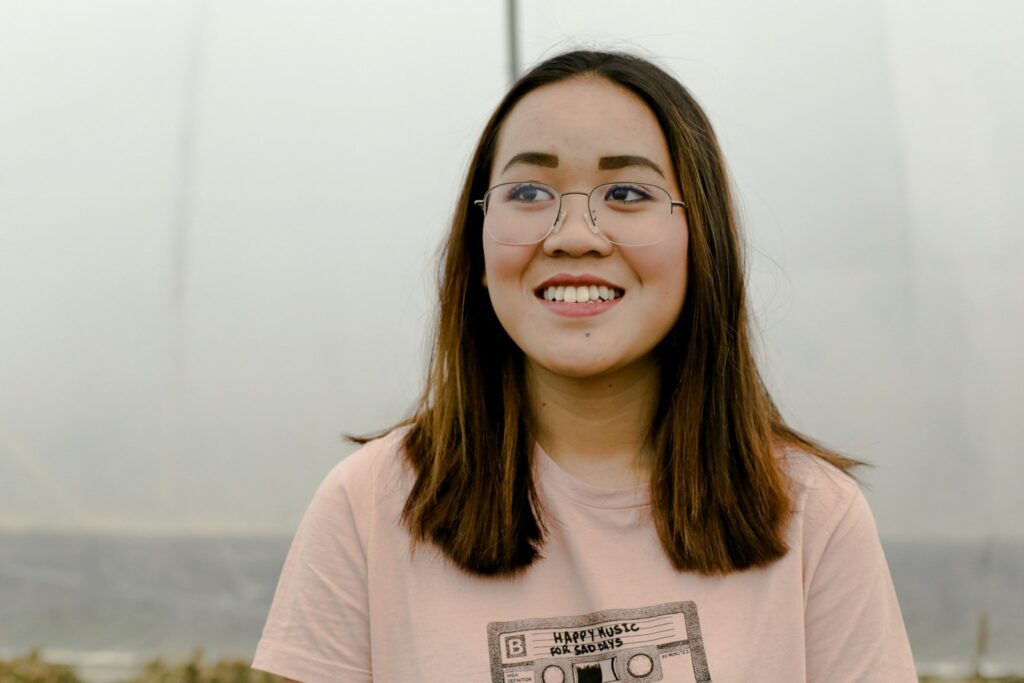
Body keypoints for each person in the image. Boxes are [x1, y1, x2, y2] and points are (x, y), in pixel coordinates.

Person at [252, 50, 917, 682]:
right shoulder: (369, 505)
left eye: (628, 191)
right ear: (477, 244)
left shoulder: (814, 514)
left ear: (700, 238)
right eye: (529, 191)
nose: (573, 234)